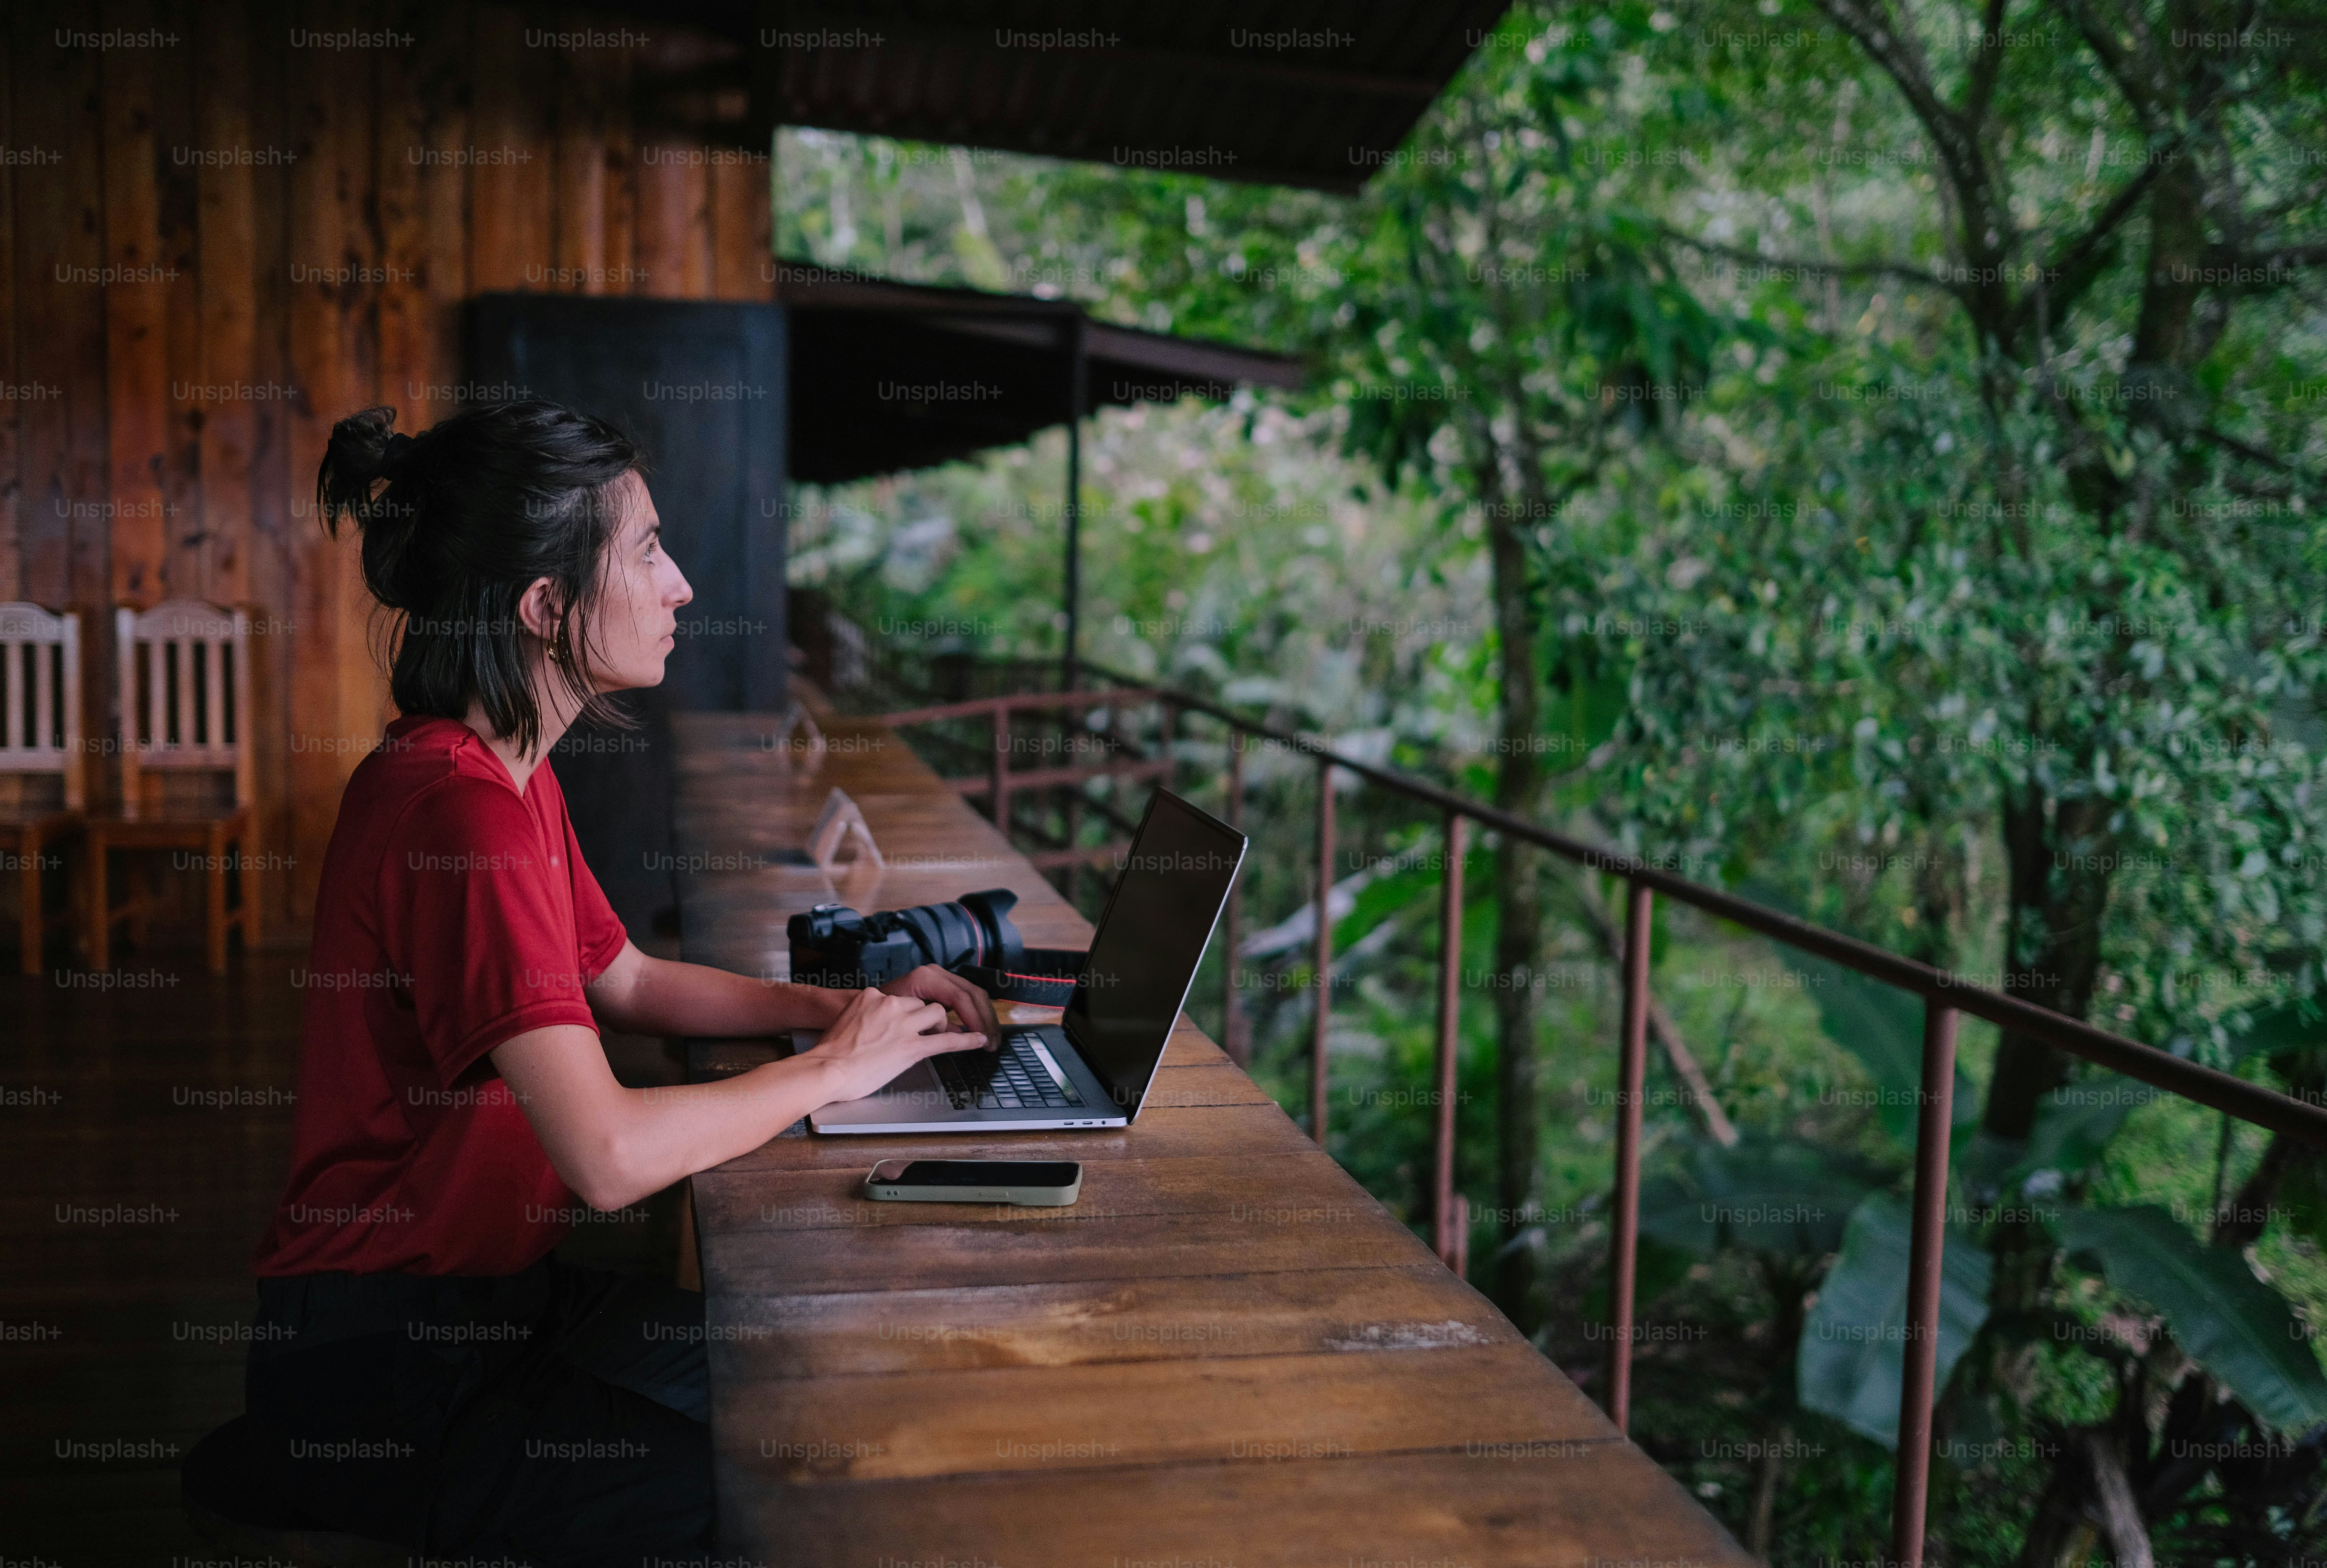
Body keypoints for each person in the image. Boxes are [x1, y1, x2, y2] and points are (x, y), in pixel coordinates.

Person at [243, 401, 997, 1566]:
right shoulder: (458, 810)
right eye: (646, 551)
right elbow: (606, 1156)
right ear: (546, 609)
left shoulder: (501, 772)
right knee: (784, 1499)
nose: (682, 584)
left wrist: (840, 1011)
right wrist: (832, 1071)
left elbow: (629, 980)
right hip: (385, 1366)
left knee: (800, 1375)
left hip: (497, 1302)